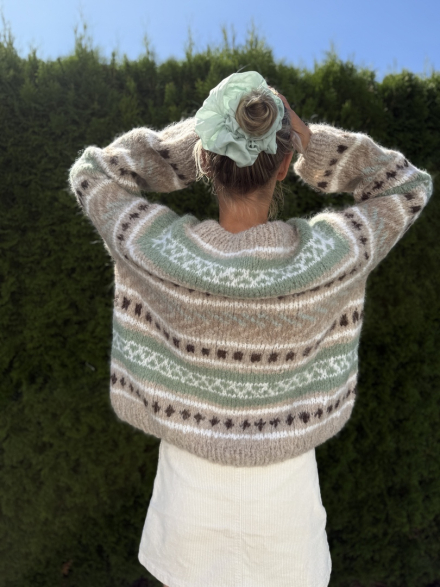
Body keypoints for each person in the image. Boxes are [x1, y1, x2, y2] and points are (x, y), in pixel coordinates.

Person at [68, 71, 433, 587]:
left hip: (186, 515)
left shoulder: (159, 251)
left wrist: (195, 139)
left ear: (205, 160)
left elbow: (92, 173)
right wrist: (310, 143)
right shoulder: (328, 257)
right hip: (287, 523)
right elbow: (407, 185)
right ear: (283, 165)